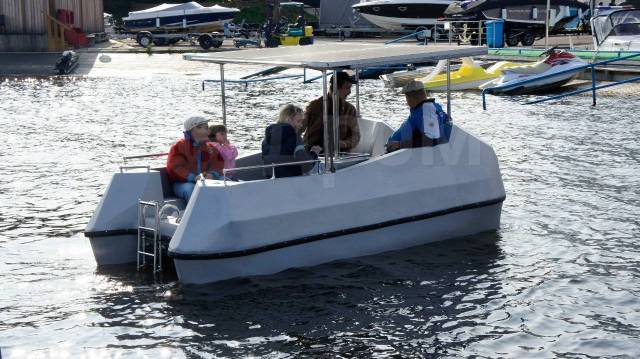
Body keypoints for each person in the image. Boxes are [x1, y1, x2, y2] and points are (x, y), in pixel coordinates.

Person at [167, 116, 224, 202]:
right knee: (191, 189)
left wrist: (213, 174)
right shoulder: (178, 147)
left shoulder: (210, 148)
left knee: (224, 181)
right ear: (194, 129)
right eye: (206, 128)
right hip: (182, 183)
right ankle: (199, 213)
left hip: (204, 180)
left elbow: (218, 164)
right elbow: (175, 168)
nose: (209, 131)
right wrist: (192, 177)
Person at [302, 71, 360, 153]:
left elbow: (356, 136)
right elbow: (300, 127)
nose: (349, 92)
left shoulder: (350, 110)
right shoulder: (314, 106)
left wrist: (344, 144)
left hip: (339, 154)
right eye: (347, 88)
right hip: (312, 152)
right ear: (336, 88)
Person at [386, 80, 452, 152]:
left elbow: (432, 140)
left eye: (407, 97)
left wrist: (400, 144)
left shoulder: (427, 110)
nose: (407, 102)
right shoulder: (425, 108)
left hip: (403, 154)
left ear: (415, 97)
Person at [262, 104, 323, 178]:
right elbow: (306, 166)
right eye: (299, 121)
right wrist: (314, 153)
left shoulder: (266, 140)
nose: (301, 125)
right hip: (290, 183)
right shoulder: (295, 139)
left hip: (269, 182)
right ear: (289, 120)